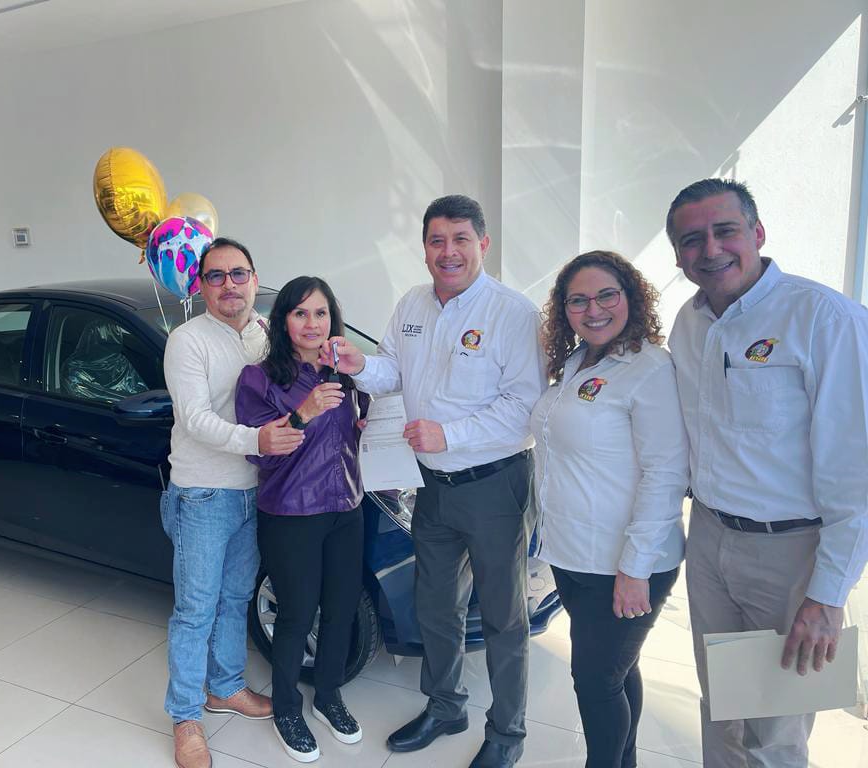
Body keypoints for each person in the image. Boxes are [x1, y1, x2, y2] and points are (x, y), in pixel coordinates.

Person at [326, 195, 547, 768]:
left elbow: (524, 408)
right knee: (436, 604)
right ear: (424, 247)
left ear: (483, 244)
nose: (448, 252)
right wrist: (359, 366)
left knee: (502, 616)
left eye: (460, 239)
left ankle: (507, 733)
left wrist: (448, 435)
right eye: (436, 241)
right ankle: (446, 706)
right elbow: (392, 371)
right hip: (429, 484)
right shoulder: (412, 304)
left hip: (495, 484)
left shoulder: (513, 313)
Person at [666, 178, 868, 767]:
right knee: (721, 706)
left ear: (757, 233)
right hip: (709, 539)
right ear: (678, 255)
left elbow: (855, 471)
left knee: (774, 732)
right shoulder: (689, 322)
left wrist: (826, 596)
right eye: (691, 240)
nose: (710, 249)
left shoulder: (824, 318)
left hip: (789, 555)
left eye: (725, 231)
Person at [532, 251, 689, 767]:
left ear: (631, 297)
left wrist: (635, 569)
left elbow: (666, 473)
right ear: (564, 310)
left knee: (595, 682)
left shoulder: (649, 368)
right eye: (578, 300)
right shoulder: (578, 361)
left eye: (606, 295)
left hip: (624, 562)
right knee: (617, 672)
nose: (593, 309)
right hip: (573, 553)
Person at [162, 236, 305, 768]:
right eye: (216, 276)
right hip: (203, 493)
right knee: (195, 609)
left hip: (255, 492)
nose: (229, 285)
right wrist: (257, 440)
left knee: (236, 597)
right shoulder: (187, 341)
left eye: (238, 274)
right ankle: (185, 717)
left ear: (254, 279)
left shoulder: (265, 335)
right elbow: (195, 419)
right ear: (201, 286)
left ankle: (225, 688)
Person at [235, 276, 369, 763]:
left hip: (346, 507)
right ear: (283, 321)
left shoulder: (345, 373)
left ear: (333, 319)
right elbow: (259, 453)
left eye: (321, 313)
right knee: (295, 615)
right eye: (300, 313)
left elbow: (354, 432)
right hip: (291, 512)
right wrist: (303, 413)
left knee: (341, 608)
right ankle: (287, 708)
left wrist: (367, 421)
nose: (312, 323)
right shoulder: (259, 379)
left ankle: (328, 695)